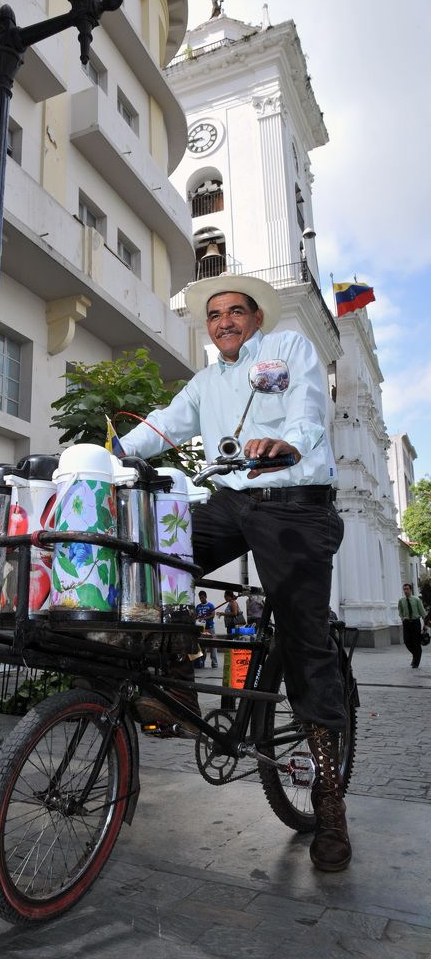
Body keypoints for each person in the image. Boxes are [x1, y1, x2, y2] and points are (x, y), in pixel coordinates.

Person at [122, 275, 349, 873]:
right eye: (214, 314)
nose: (223, 321)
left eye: (235, 312)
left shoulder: (287, 349)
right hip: (229, 503)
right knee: (153, 563)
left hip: (293, 504)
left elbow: (308, 407)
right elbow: (163, 426)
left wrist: (288, 443)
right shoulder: (206, 381)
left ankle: (330, 804)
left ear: (255, 318)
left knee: (305, 646)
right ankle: (172, 684)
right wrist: (106, 458)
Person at [397, 583, 426, 669]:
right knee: (407, 641)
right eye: (404, 589)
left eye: (407, 589)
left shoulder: (416, 600)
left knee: (416, 642)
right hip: (406, 623)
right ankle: (415, 654)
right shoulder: (401, 601)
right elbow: (400, 611)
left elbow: (422, 612)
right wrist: (402, 618)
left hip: (415, 622)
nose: (405, 591)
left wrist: (425, 624)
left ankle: (416, 662)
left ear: (410, 590)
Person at [194, 590, 218, 669]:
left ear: (206, 597)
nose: (201, 599)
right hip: (201, 629)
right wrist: (197, 618)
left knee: (213, 646)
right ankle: (201, 663)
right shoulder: (198, 607)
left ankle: (214, 663)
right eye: (200, 598)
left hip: (210, 628)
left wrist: (204, 618)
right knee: (203, 646)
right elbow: (196, 616)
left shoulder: (210, 605)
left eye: (202, 598)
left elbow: (213, 615)